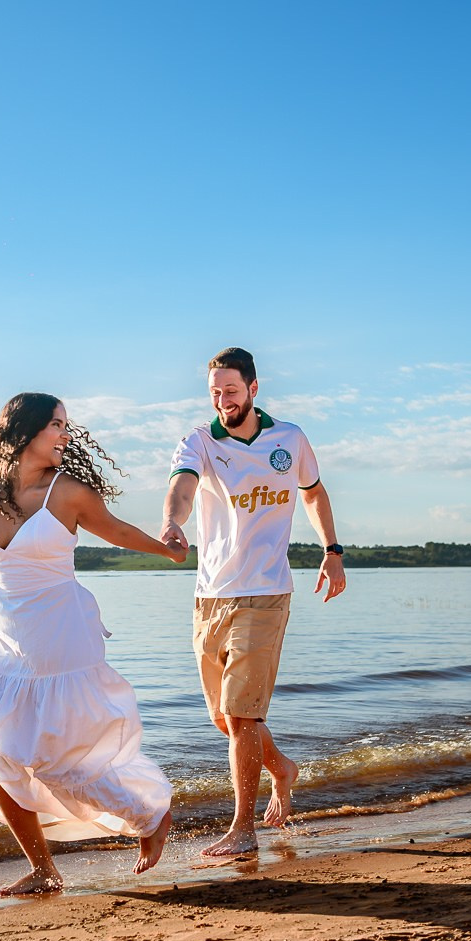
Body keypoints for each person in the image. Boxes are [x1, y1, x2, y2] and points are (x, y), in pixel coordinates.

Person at [0, 393, 188, 897]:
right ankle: (43, 868)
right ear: (25, 431)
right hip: (10, 636)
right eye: (56, 425)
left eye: (65, 426)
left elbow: (115, 531)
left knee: (56, 756)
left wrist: (167, 549)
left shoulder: (66, 491)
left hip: (63, 634)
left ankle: (150, 815)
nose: (65, 435)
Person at [159, 347, 346, 858]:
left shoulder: (290, 438)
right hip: (210, 594)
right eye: (215, 393)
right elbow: (183, 487)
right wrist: (174, 521)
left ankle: (243, 829)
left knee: (242, 717)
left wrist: (332, 550)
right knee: (225, 718)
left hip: (266, 591)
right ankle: (282, 766)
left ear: (254, 389)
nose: (223, 402)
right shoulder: (198, 441)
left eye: (232, 392)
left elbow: (313, 492)